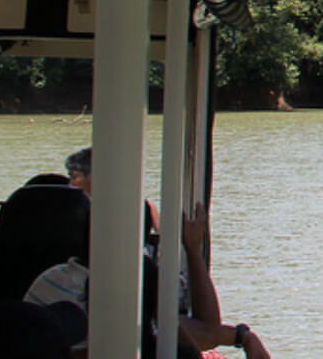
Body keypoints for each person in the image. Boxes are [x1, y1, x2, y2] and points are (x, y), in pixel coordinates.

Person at [59, 149, 268, 359]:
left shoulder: (51, 284)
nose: (71, 186)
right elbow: (206, 332)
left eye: (74, 177)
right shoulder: (69, 283)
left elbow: (200, 330)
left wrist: (241, 336)